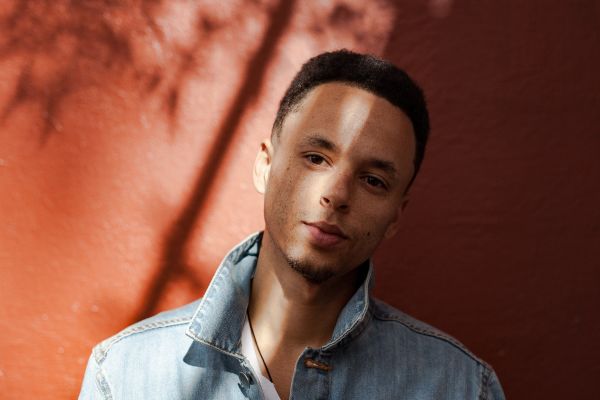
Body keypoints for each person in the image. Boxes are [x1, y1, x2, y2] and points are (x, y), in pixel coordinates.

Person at [79, 49, 505, 400]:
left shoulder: (461, 388)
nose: (336, 195)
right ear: (265, 165)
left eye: (373, 181)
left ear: (395, 215)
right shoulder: (125, 375)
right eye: (316, 158)